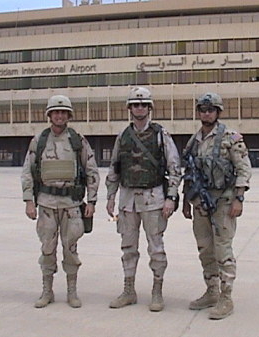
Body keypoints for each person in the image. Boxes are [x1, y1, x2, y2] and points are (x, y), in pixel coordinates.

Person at [105, 86, 181, 312]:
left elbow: (174, 167)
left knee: (156, 247)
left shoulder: (161, 135)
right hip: (128, 199)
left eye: (143, 105)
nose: (139, 108)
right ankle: (129, 290)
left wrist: (171, 197)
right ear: (130, 108)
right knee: (128, 246)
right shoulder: (123, 136)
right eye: (135, 105)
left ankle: (157, 291)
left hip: (153, 198)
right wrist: (110, 196)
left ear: (149, 108)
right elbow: (114, 167)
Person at [21, 94, 100, 309]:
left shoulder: (77, 140)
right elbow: (27, 171)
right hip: (46, 203)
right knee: (47, 248)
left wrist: (91, 201)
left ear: (69, 115)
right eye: (56, 112)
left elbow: (92, 170)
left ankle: (72, 292)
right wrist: (29, 200)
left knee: (70, 248)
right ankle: (47, 291)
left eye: (63, 112)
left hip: (71, 204)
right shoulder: (39, 141)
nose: (59, 115)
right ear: (49, 115)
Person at [182, 92, 252, 320]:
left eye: (210, 109)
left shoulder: (230, 138)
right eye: (202, 109)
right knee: (205, 249)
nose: (206, 113)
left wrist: (238, 199)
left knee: (223, 250)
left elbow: (243, 169)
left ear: (218, 112)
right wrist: (186, 201)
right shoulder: (195, 140)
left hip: (223, 201)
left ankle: (226, 297)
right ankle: (211, 291)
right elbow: (189, 173)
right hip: (200, 203)